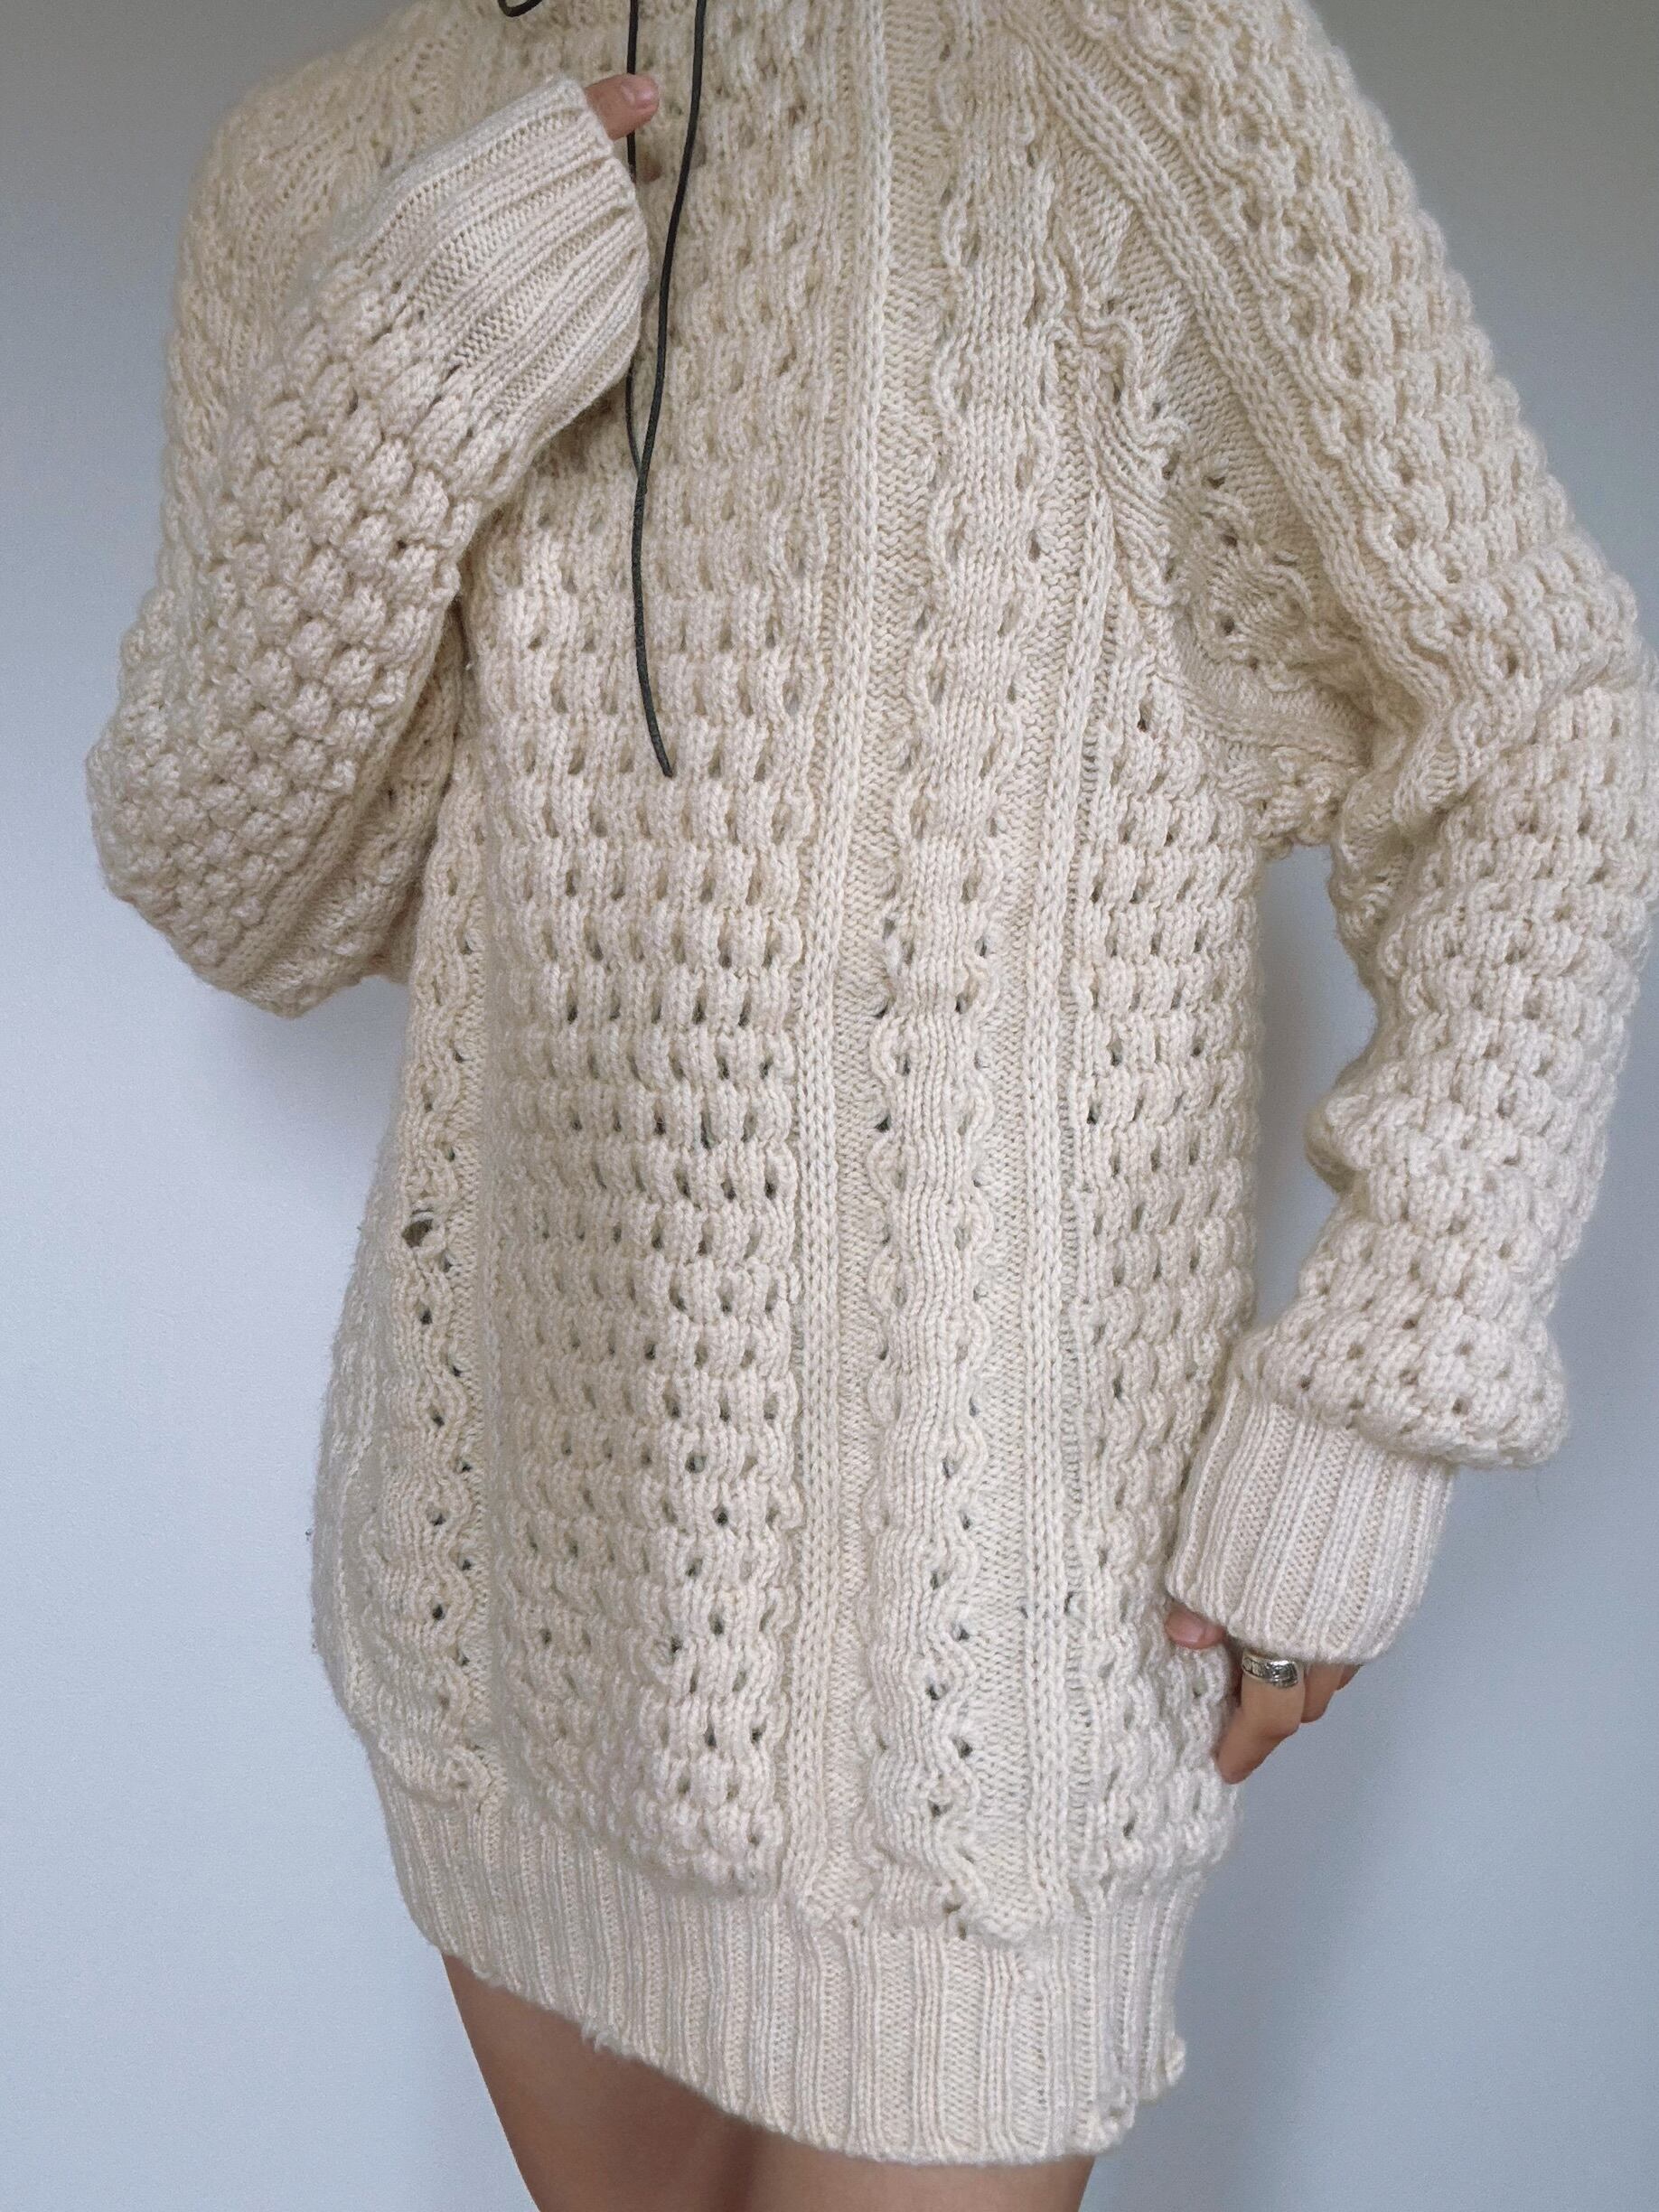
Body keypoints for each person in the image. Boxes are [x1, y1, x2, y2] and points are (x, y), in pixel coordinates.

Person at [82, 0, 1658, 2205]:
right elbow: (246, 892)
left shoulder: (1118, 58)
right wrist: (409, 370)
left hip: (980, 1658)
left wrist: (1376, 1405)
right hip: (514, 1599)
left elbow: (1537, 730)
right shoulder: (318, 162)